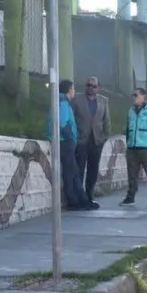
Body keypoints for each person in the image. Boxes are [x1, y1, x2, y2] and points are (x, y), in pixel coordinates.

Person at [48, 80, 100, 211]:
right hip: (64, 141)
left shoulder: (58, 101)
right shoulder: (63, 102)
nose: (74, 92)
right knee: (72, 172)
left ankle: (79, 199)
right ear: (68, 90)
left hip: (62, 140)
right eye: (73, 89)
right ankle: (76, 201)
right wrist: (71, 138)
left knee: (72, 171)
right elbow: (63, 123)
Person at [121, 87, 147, 208]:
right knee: (131, 174)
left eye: (135, 95)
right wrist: (128, 142)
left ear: (143, 97)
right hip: (132, 147)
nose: (133, 97)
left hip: (146, 147)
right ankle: (130, 197)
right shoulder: (131, 111)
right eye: (132, 95)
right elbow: (128, 127)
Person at [72, 76, 111, 201]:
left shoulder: (103, 101)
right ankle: (78, 195)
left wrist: (104, 137)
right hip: (81, 140)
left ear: (98, 88)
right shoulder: (77, 99)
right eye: (88, 85)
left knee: (93, 169)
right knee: (79, 169)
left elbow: (106, 121)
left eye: (94, 86)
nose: (90, 88)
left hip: (96, 140)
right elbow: (72, 118)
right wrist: (75, 136)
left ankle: (90, 194)